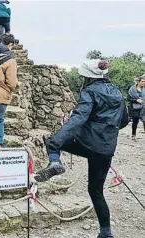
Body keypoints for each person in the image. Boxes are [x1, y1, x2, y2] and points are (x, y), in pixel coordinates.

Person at [34, 59, 129, 238]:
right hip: (106, 150)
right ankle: (106, 234)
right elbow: (124, 120)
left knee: (52, 142)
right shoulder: (116, 92)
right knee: (96, 191)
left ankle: (55, 161)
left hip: (86, 144)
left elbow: (78, 118)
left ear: (87, 77)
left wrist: (56, 140)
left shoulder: (89, 91)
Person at [127, 76, 145, 140]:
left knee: (144, 121)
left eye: (144, 81)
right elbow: (128, 98)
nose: (143, 83)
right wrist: (136, 100)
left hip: (143, 107)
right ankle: (133, 134)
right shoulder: (132, 89)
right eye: (142, 81)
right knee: (135, 121)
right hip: (135, 107)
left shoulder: (144, 89)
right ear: (138, 82)